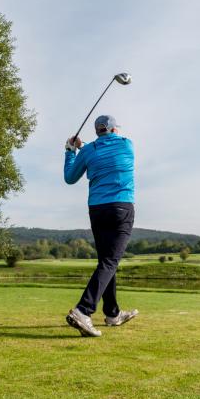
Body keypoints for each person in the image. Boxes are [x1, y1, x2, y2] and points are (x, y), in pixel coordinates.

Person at [63, 115, 138, 337]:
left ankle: (112, 314)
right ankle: (83, 310)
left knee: (106, 261)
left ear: (98, 131)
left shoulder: (89, 151)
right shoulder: (127, 145)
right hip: (121, 208)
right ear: (114, 130)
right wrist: (81, 147)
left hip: (97, 210)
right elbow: (106, 150)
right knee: (110, 261)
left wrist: (70, 151)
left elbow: (70, 177)